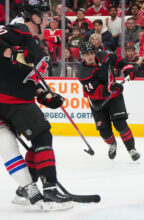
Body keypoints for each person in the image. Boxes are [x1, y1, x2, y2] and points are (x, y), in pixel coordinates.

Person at [0, 0, 72, 209]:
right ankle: (50, 192)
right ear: (35, 17)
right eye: (45, 14)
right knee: (42, 134)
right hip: (10, 100)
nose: (49, 18)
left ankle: (25, 190)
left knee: (39, 137)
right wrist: (12, 53)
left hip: (17, 98)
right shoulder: (19, 31)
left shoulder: (38, 45)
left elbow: (29, 79)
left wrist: (45, 95)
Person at [77, 42, 141, 161]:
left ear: (95, 52)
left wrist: (128, 68)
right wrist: (110, 88)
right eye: (86, 54)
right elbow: (95, 91)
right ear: (82, 56)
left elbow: (118, 60)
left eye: (91, 53)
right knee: (105, 133)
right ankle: (112, 144)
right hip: (97, 103)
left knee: (120, 124)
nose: (89, 56)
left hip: (115, 97)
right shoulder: (83, 73)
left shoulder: (104, 56)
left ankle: (131, 149)